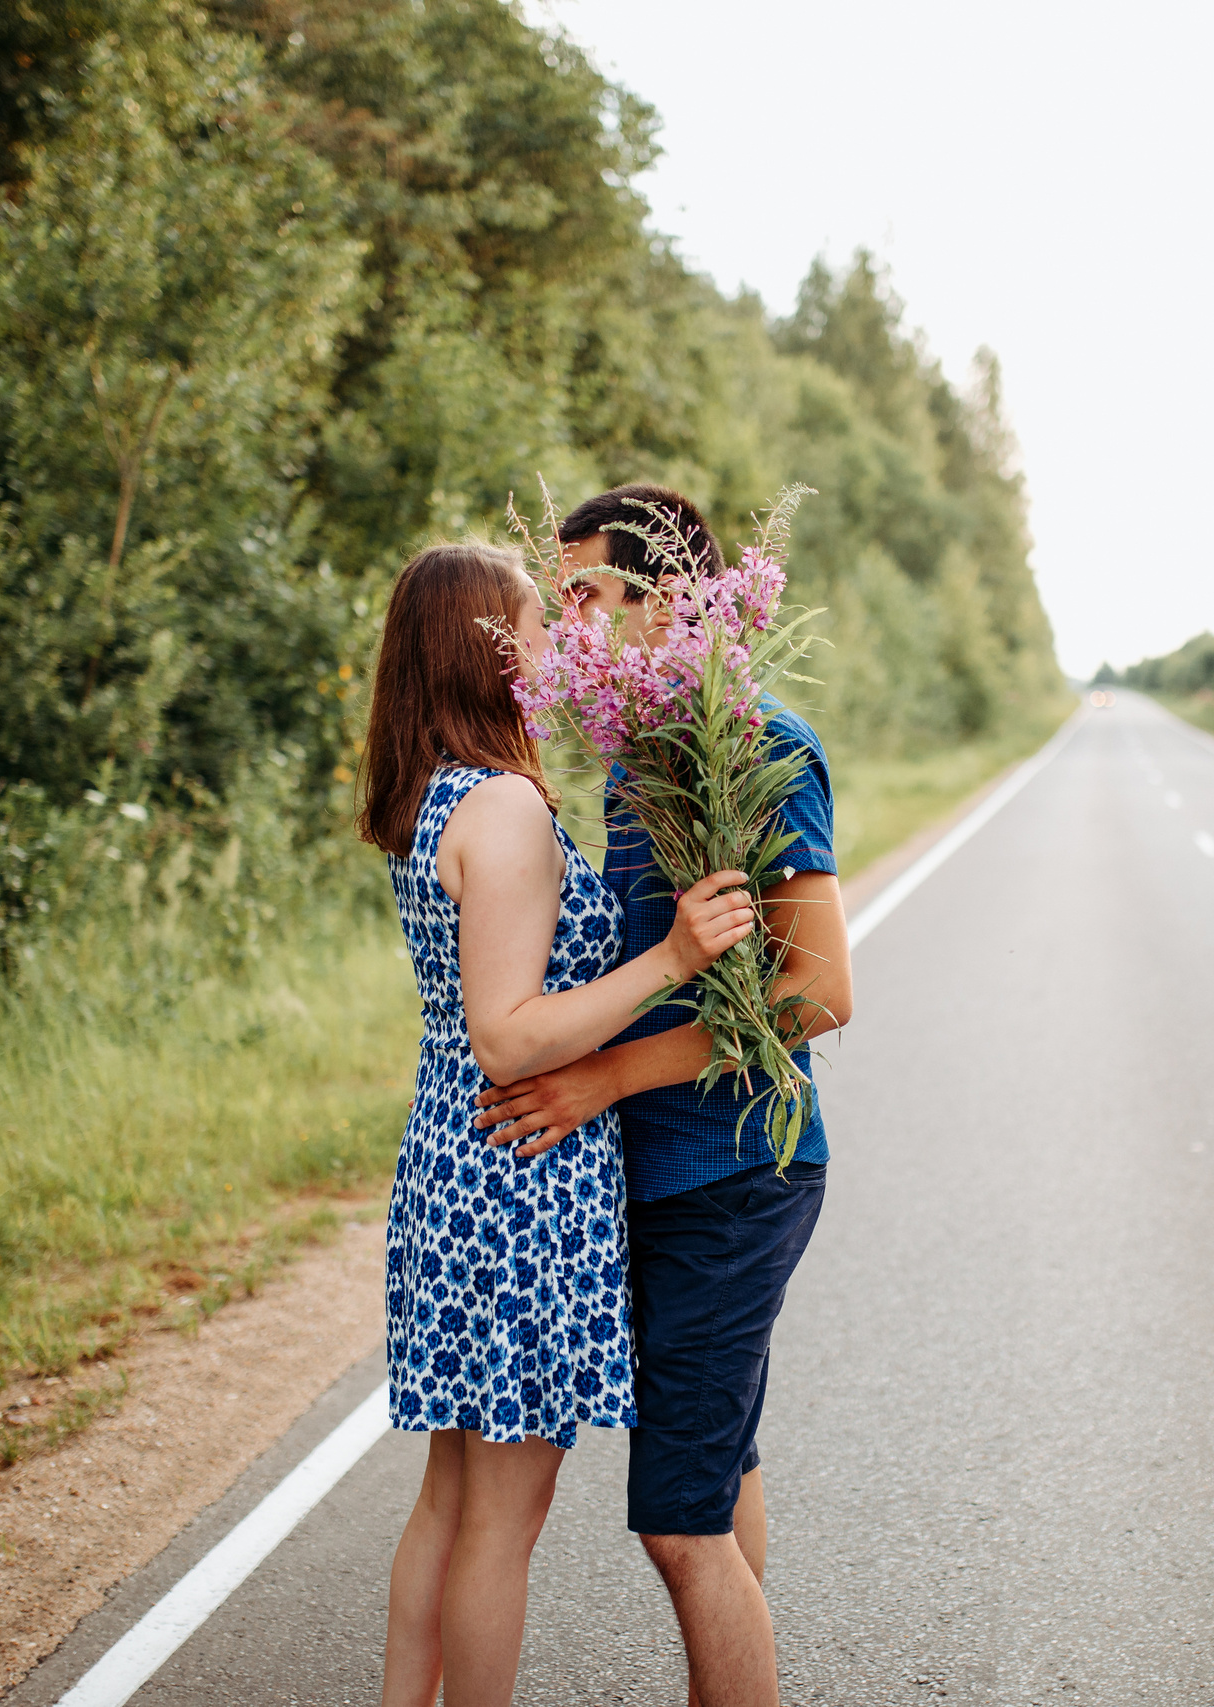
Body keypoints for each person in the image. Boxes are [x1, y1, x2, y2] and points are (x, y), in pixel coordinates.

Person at [358, 541, 760, 1707]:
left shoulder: (427, 794)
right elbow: (511, 1032)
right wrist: (676, 957)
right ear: (487, 650)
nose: (553, 647)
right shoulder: (505, 808)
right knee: (503, 1514)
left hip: (455, 1157)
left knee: (451, 1495)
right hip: (520, 1177)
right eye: (536, 625)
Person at [472, 485, 856, 1707]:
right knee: (718, 1476)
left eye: (583, 591)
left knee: (676, 1524)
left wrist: (603, 1079)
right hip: (670, 1176)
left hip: (738, 1174)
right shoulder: (643, 757)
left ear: (674, 603)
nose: (566, 618)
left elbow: (819, 992)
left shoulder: (759, 746)